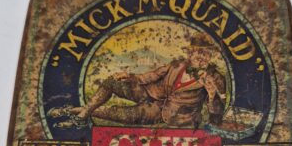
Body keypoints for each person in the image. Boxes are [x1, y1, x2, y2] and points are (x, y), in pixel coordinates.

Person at [72, 33, 226, 128]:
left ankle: (78, 111)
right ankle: (84, 112)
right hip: (150, 93)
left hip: (166, 112)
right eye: (198, 52)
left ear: (211, 56)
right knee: (113, 81)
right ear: (190, 53)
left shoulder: (216, 78)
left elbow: (217, 115)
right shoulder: (178, 64)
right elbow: (154, 75)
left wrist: (212, 95)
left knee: (125, 114)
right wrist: (131, 77)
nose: (201, 56)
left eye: (206, 53)